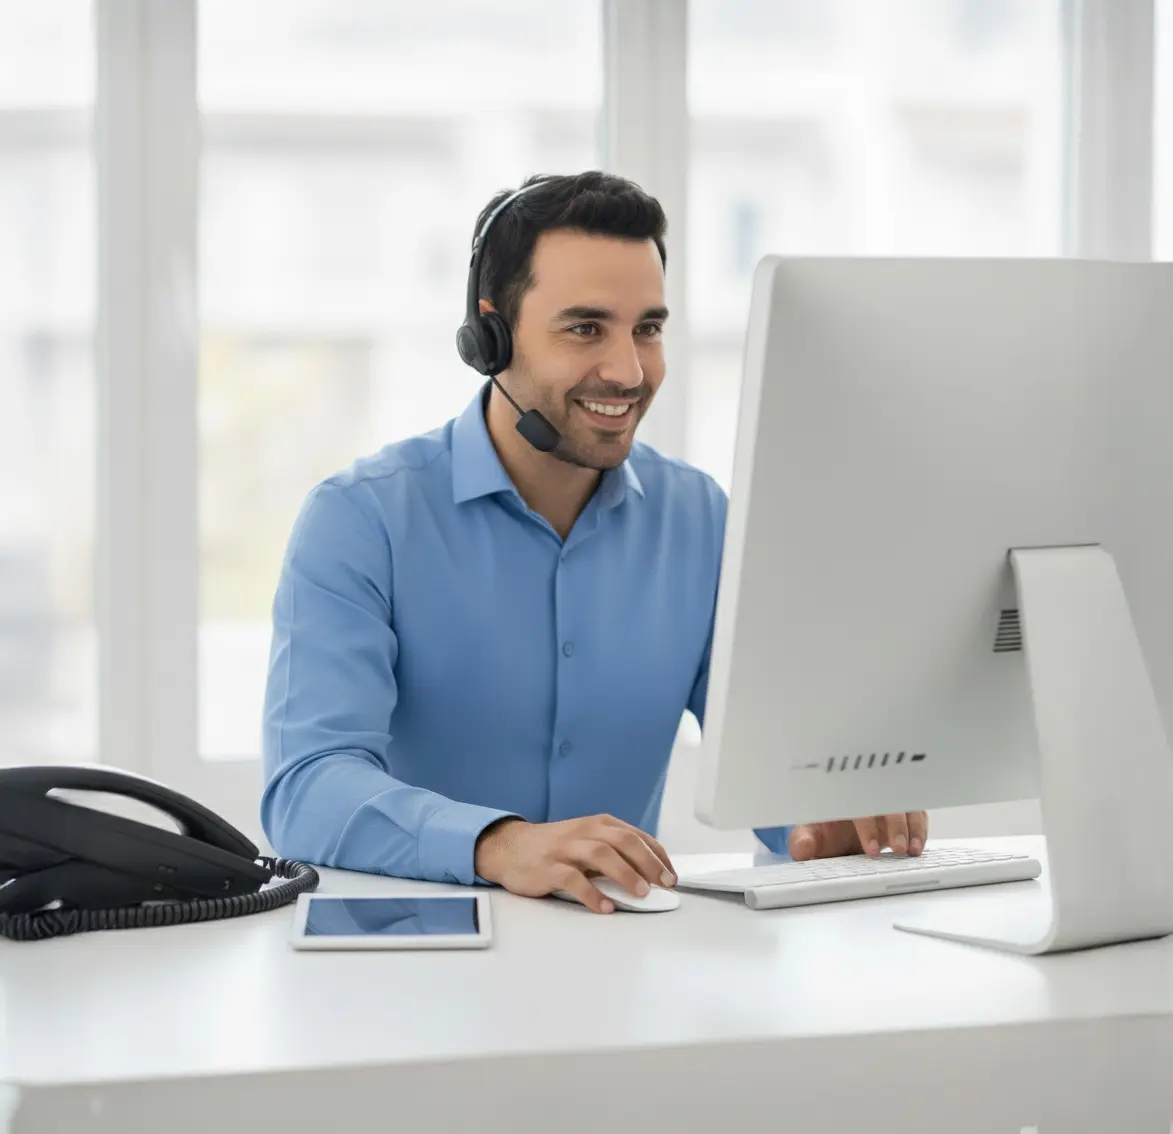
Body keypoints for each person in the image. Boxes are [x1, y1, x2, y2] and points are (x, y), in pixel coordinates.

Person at [260, 171, 928, 915]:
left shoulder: (698, 516)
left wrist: (822, 816)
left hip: (623, 955)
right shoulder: (362, 520)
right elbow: (307, 789)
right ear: (492, 335)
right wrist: (500, 843)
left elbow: (763, 764)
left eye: (647, 328)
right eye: (585, 329)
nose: (628, 371)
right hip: (422, 959)